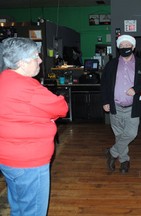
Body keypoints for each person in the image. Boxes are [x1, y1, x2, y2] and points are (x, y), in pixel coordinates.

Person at [0, 37, 68, 215]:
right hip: (29, 161)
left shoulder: (4, 79)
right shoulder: (27, 86)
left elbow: (15, 112)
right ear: (22, 62)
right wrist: (47, 118)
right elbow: (61, 108)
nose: (39, 60)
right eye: (35, 56)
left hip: (7, 158)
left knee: (18, 206)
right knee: (33, 210)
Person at [101, 34, 141, 173]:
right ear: (118, 48)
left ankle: (112, 152)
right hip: (115, 106)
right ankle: (124, 161)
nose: (125, 48)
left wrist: (135, 89)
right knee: (119, 135)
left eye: (127, 45)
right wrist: (105, 101)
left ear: (133, 47)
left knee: (131, 133)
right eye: (122, 46)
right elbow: (104, 83)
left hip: (132, 107)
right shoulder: (111, 64)